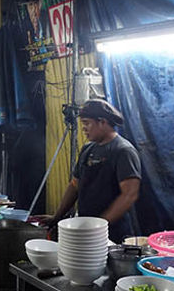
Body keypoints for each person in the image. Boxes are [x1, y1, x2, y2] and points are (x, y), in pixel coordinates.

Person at [51, 99, 141, 243]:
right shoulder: (87, 149)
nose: (84, 128)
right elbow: (75, 185)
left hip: (113, 234)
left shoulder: (123, 151)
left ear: (102, 122)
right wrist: (57, 217)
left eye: (87, 123)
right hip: (85, 230)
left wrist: (98, 226)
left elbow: (129, 195)